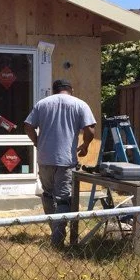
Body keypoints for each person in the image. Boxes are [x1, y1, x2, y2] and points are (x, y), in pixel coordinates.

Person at [24, 78, 96, 247]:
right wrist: (85, 146)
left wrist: (36, 142)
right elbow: (90, 129)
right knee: (63, 200)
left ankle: (55, 231)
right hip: (65, 160)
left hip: (44, 158)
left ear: (54, 90)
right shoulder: (79, 104)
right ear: (70, 89)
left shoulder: (43, 104)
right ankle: (57, 240)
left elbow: (27, 126)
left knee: (48, 195)